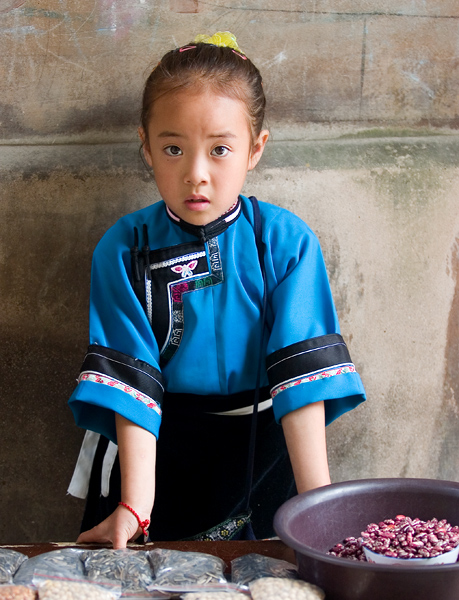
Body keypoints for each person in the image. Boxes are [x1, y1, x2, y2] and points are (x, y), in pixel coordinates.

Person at [68, 31, 366, 549]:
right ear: (146, 146)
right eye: (173, 148)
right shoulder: (121, 250)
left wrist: (319, 505)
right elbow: (133, 387)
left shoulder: (285, 243)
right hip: (156, 447)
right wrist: (136, 507)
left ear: (256, 149)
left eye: (220, 149)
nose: (196, 174)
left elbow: (302, 380)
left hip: (263, 444)